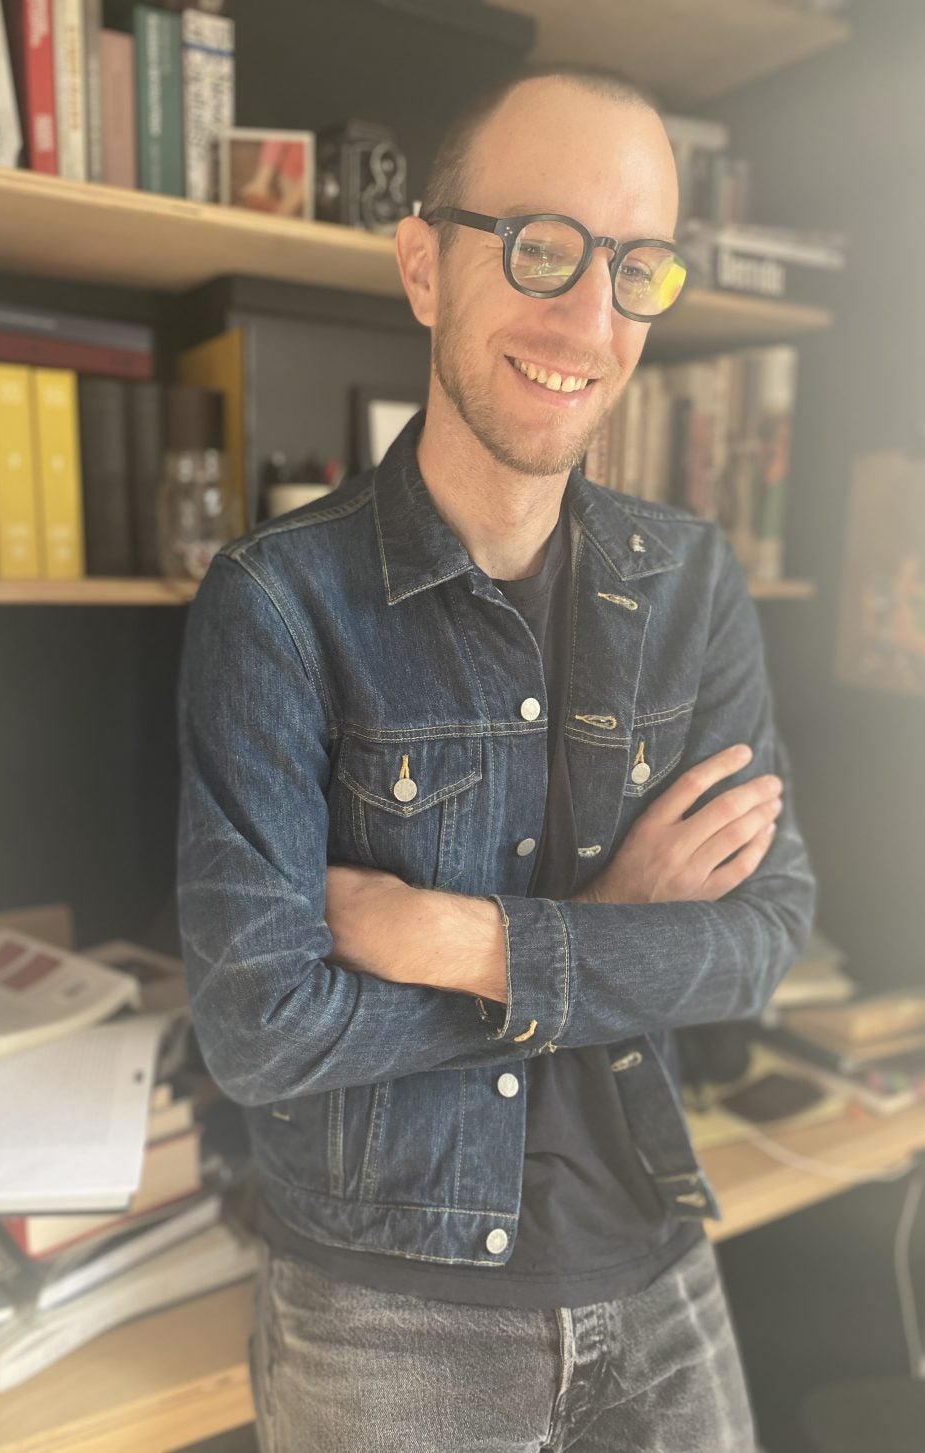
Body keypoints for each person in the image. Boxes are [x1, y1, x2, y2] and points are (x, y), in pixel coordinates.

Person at [176, 65, 815, 1453]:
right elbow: (259, 1029)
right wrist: (608, 933)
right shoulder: (277, 601)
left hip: (656, 1259)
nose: (589, 316)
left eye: (636, 266)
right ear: (424, 264)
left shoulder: (693, 580)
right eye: (541, 248)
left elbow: (764, 935)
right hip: (379, 1306)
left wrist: (467, 940)